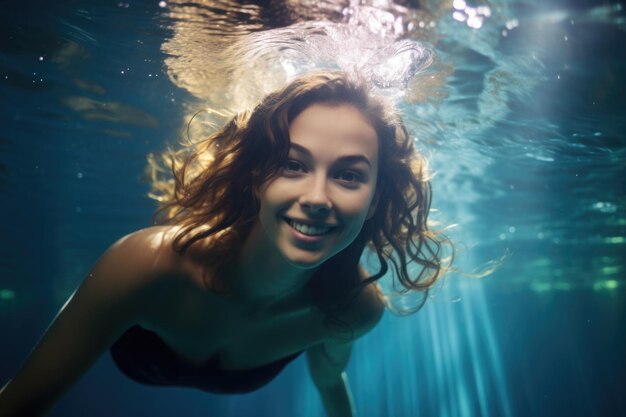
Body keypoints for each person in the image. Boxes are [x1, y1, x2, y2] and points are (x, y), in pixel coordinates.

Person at [0, 71, 451, 417]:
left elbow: (330, 380)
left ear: (375, 201)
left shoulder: (353, 309)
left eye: (349, 175)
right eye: (292, 165)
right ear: (256, 177)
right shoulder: (147, 265)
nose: (316, 198)